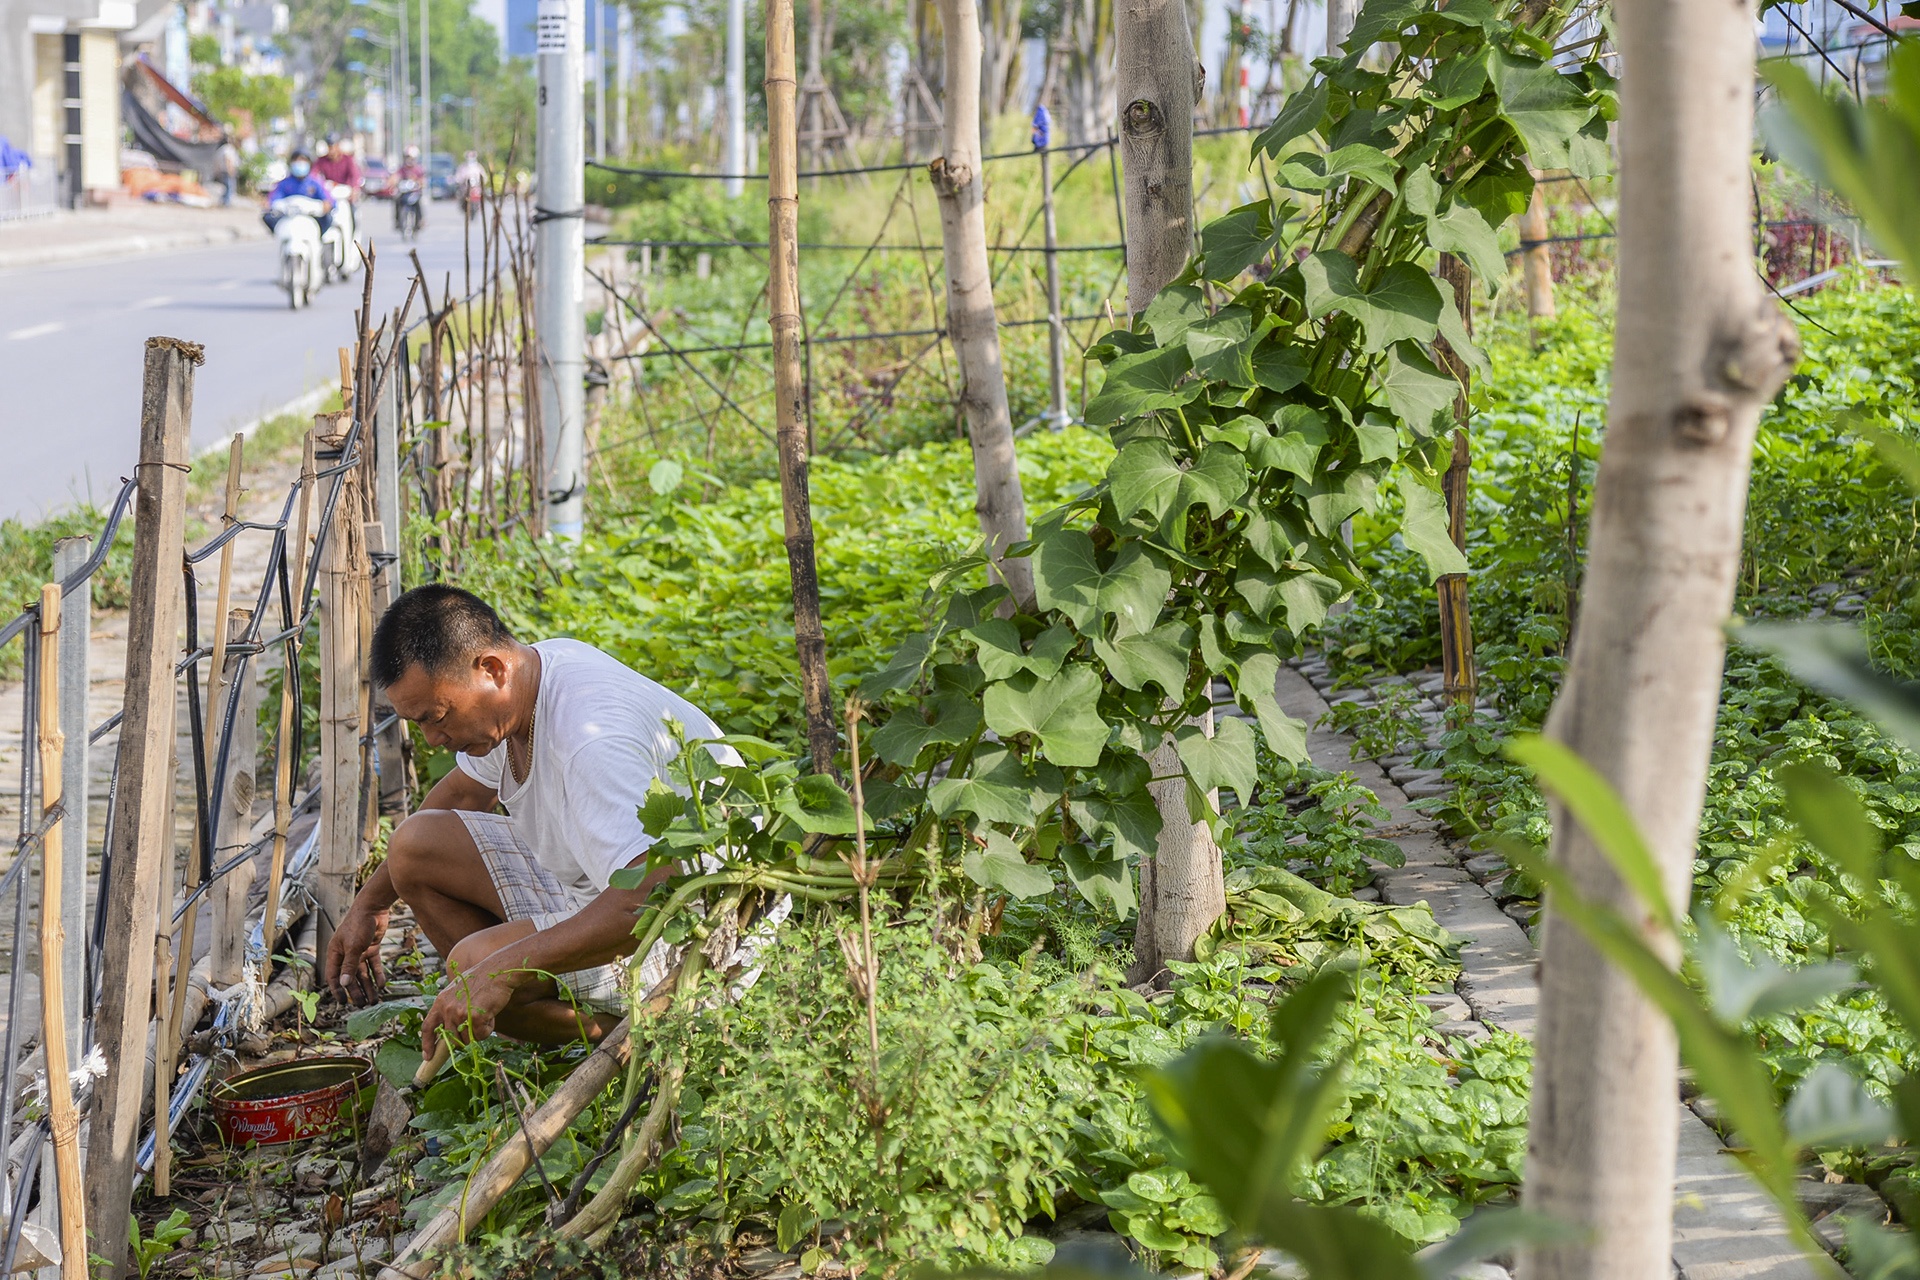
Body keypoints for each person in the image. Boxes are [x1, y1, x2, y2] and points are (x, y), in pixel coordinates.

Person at [322, 586, 766, 1049]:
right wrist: (370, 905)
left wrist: (502, 967)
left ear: (492, 669)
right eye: (421, 724)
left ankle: (633, 1039)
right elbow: (461, 795)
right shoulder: (529, 678)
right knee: (414, 846)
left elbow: (647, 900)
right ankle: (540, 1005)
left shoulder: (590, 741)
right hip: (610, 886)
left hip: (698, 934)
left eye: (437, 717)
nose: (433, 739)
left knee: (474, 961)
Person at [263, 149, 334, 233]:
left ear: (309, 163)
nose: (299, 163)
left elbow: (329, 201)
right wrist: (268, 203)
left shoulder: (315, 182)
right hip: (289, 220)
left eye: (303, 160)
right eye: (296, 160)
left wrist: (326, 205)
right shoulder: (284, 183)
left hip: (312, 221)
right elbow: (273, 200)